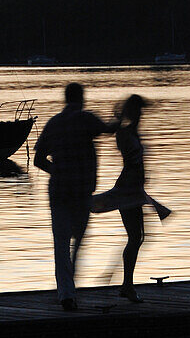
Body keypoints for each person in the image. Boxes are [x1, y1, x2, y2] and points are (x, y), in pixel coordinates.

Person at [34, 83, 116, 310]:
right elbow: (109, 129)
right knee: (77, 240)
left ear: (65, 99)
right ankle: (70, 287)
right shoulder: (86, 119)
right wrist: (120, 117)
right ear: (81, 99)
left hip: (59, 190)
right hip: (81, 191)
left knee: (60, 243)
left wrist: (58, 171)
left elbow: (38, 160)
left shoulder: (53, 123)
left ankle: (66, 293)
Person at [92, 94, 170, 303]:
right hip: (128, 190)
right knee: (136, 237)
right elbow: (132, 159)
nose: (140, 115)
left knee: (138, 238)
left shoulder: (133, 132)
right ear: (131, 112)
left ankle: (123, 281)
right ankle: (125, 284)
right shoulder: (124, 134)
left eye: (141, 111)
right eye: (137, 111)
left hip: (134, 190)